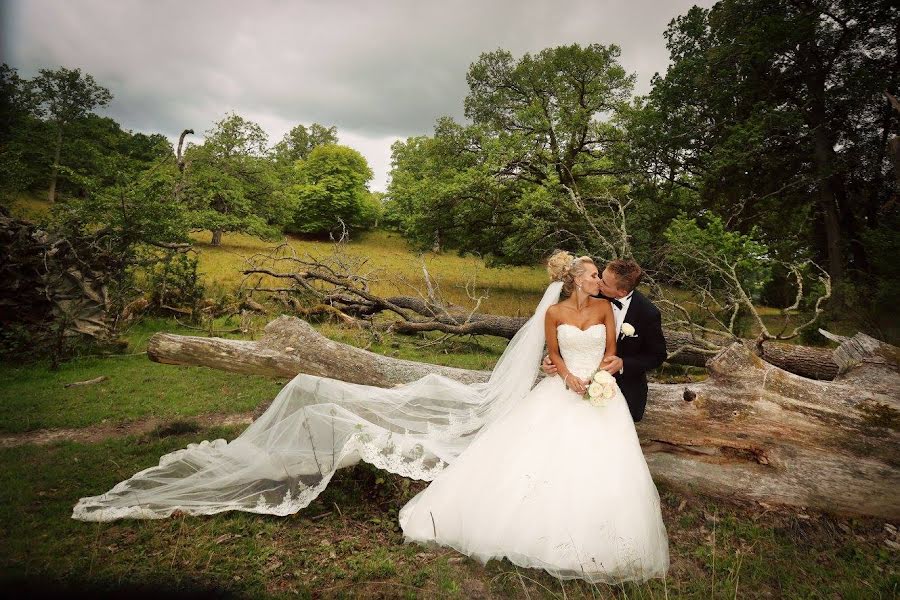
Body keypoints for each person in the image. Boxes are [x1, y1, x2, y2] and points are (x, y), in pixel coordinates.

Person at [73, 251, 668, 584]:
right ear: (581, 280)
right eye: (592, 275)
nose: (598, 282)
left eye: (602, 276)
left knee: (599, 465)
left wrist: (609, 367)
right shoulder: (558, 310)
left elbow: (619, 349)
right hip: (561, 390)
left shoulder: (618, 310)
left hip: (603, 397)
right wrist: (564, 373)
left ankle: (592, 535)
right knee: (531, 456)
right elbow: (551, 354)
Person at [542, 258, 666, 422]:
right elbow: (565, 335)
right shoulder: (589, 290)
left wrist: (623, 364)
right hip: (571, 380)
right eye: (599, 276)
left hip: (622, 387)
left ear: (621, 292)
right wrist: (550, 360)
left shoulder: (648, 313)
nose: (599, 283)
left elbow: (657, 355)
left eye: (605, 282)